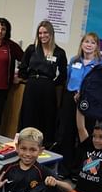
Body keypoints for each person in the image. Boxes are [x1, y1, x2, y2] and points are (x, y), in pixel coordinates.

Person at [57, 32, 101, 177]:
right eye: (86, 41)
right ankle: (64, 169)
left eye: (92, 42)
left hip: (88, 102)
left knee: (84, 136)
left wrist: (83, 93)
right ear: (81, 44)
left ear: (96, 47)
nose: (89, 45)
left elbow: (99, 86)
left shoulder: (99, 65)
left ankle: (78, 171)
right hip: (71, 99)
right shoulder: (74, 60)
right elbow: (68, 79)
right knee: (67, 135)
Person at [18, 20, 67, 148]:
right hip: (32, 86)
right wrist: (29, 79)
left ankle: (44, 145)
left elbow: (63, 75)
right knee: (29, 114)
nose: (42, 36)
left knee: (47, 116)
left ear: (51, 34)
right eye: (40, 33)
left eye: (45, 32)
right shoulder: (31, 49)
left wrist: (52, 83)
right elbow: (22, 68)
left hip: (48, 88)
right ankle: (25, 144)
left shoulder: (59, 52)